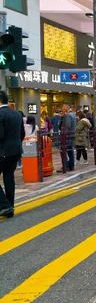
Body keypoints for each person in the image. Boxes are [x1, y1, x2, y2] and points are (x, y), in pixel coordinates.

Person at [0, 90, 26, 218]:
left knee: (8, 177)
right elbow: (22, 134)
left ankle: (5, 206)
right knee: (9, 178)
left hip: (2, 152)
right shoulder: (17, 114)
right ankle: (9, 207)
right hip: (15, 151)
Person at [59, 104, 77, 173]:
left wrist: (62, 117)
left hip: (67, 136)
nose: (62, 108)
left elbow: (66, 126)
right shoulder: (73, 114)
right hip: (72, 135)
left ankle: (65, 166)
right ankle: (71, 166)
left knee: (63, 151)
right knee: (70, 151)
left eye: (63, 107)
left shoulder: (68, 115)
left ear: (67, 107)